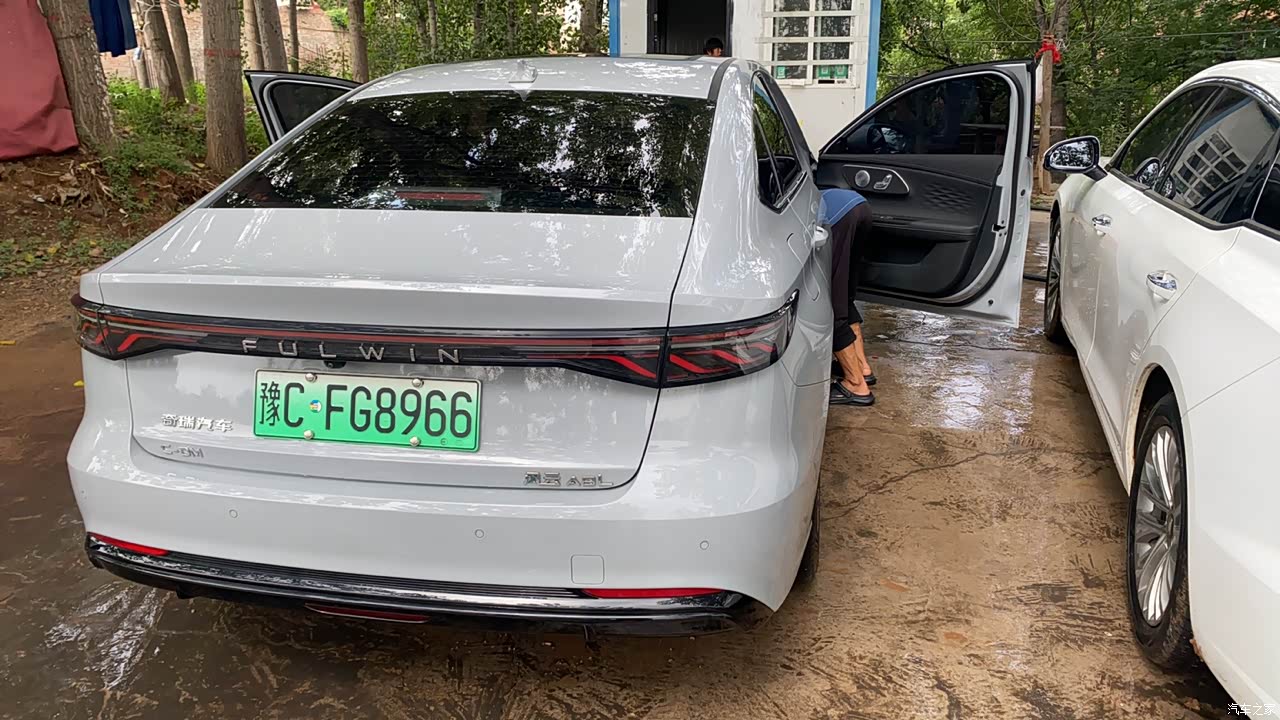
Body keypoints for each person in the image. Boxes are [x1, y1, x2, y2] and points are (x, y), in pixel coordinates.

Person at [821, 187, 876, 406]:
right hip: (860, 205)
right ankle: (863, 368)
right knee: (844, 298)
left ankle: (856, 384)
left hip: (838, 217)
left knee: (830, 305)